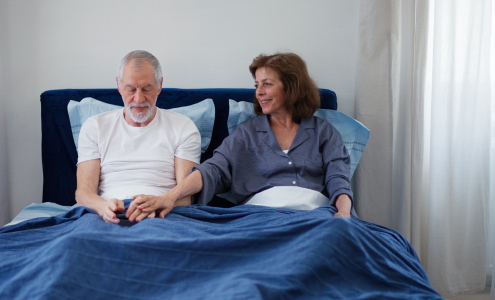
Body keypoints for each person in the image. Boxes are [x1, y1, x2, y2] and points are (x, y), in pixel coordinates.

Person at [128, 52, 353, 221]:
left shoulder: (323, 132)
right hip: (260, 217)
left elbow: (338, 179)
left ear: (291, 87)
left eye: (267, 84)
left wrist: (343, 213)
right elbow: (212, 170)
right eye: (257, 85)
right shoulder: (247, 133)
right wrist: (169, 196)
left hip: (316, 215)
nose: (259, 92)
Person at [75, 50, 201, 224]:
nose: (139, 98)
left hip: (162, 214)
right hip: (107, 214)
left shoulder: (183, 127)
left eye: (147, 89)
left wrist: (156, 204)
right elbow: (83, 192)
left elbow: (186, 197)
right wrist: (103, 207)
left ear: (159, 85)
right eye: (130, 89)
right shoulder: (95, 126)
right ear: (119, 85)